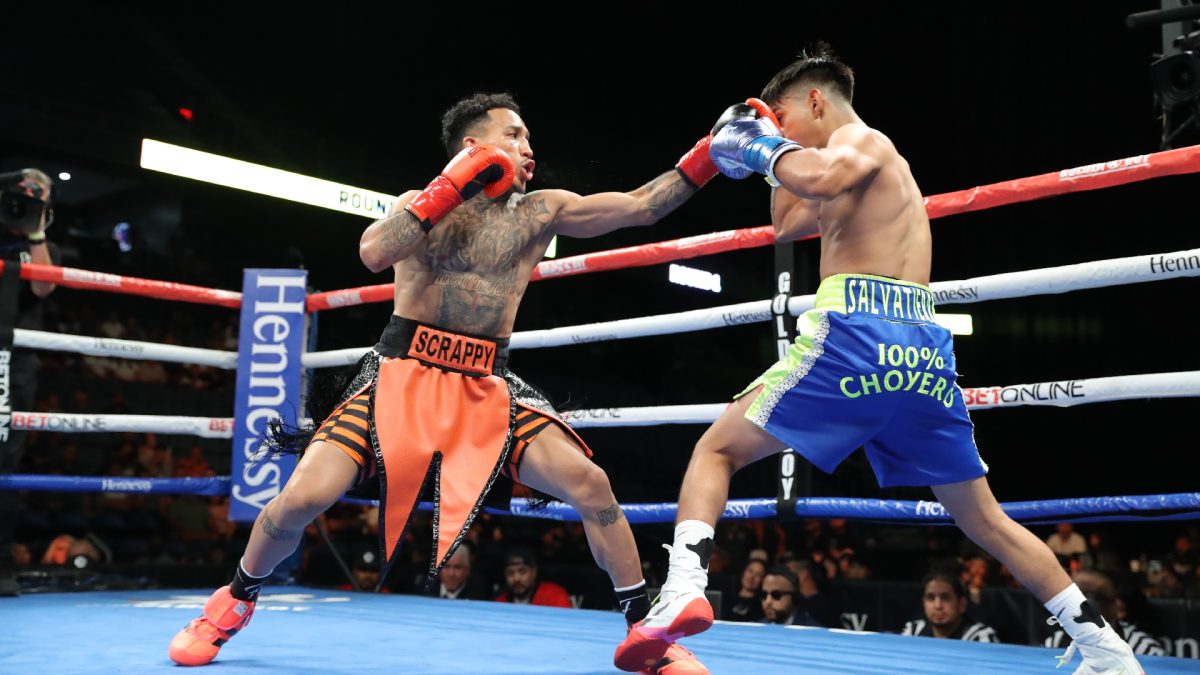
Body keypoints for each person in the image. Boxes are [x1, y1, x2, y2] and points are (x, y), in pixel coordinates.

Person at [616, 44, 1144, 675]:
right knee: (984, 518)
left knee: (716, 450)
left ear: (815, 100)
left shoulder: (868, 143)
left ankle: (682, 589)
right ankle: (1107, 651)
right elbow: (788, 222)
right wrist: (761, 158)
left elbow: (816, 177)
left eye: (784, 119)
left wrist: (761, 144)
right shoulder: (832, 165)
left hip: (858, 333)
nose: (781, 133)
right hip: (918, 351)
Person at [170, 92, 717, 673]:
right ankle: (231, 603)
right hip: (402, 373)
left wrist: (710, 154)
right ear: (472, 145)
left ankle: (647, 636)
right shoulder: (420, 205)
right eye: (514, 135)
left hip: (486, 379)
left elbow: (642, 206)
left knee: (590, 483)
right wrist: (447, 187)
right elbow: (373, 253)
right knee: (303, 496)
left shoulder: (541, 211)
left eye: (529, 139)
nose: (528, 149)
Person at [0, 168, 59, 597]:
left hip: (15, 364)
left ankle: (1, 562)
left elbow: (42, 287)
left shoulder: (39, 245)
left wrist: (35, 233)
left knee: (7, 461)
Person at [1044, 570, 1166, 657]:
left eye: (1088, 595)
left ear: (1115, 607)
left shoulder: (1144, 650)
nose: (1077, 604)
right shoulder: (1056, 642)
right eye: (1071, 596)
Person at [901, 571, 999, 642]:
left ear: (962, 604)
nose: (938, 606)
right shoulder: (913, 631)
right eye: (931, 598)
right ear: (923, 603)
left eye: (945, 598)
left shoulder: (980, 636)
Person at [758, 566, 834, 628]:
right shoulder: (757, 628)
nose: (768, 601)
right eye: (764, 595)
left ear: (794, 597)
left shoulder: (812, 631)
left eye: (776, 595)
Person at [494, 547, 571, 608]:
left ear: (534, 572)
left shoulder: (555, 596)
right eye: (510, 573)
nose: (516, 578)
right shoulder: (500, 602)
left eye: (522, 571)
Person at [422, 542, 488, 600]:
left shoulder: (477, 597)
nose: (451, 574)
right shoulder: (424, 590)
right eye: (447, 567)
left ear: (467, 570)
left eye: (457, 567)